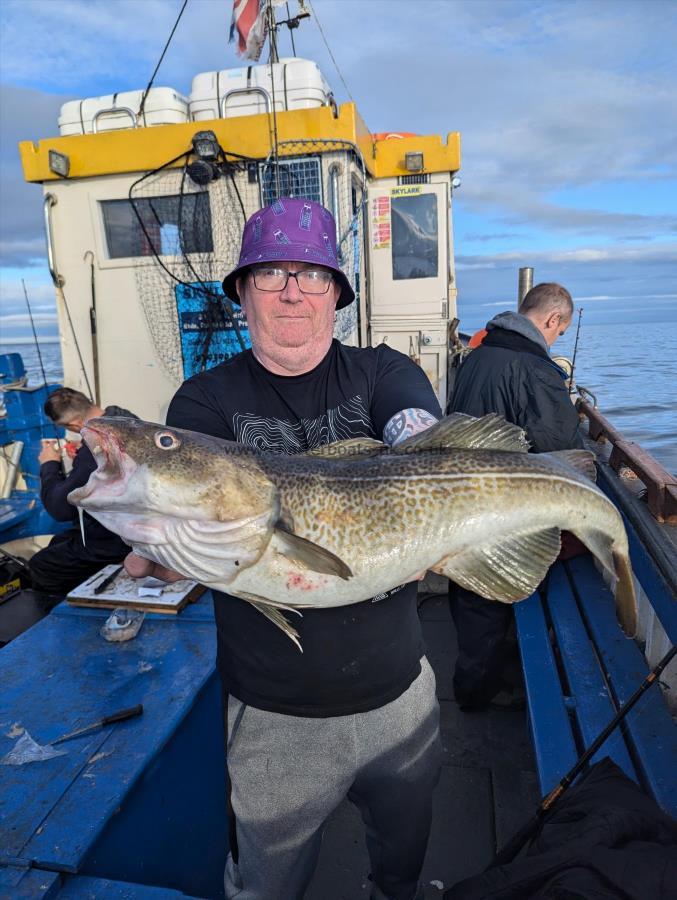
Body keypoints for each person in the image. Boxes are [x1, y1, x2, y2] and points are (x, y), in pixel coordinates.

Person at [126, 197, 443, 900]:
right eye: (270, 274)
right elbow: (202, 525)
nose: (292, 290)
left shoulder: (383, 372)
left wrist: (434, 475)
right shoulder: (202, 406)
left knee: (402, 863)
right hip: (274, 712)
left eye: (312, 273)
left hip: (399, 690)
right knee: (267, 883)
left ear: (336, 293)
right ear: (242, 292)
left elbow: (417, 435)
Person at [448, 282, 583, 710]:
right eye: (558, 332)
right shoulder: (537, 369)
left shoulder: (477, 356)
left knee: (468, 596)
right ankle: (479, 693)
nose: (554, 338)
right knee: (490, 599)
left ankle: (471, 685)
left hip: (459, 497)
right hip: (500, 506)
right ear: (552, 320)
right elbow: (564, 448)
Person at [30, 388, 136, 594]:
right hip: (132, 521)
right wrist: (83, 446)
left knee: (41, 566)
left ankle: (73, 615)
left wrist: (49, 464)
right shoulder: (122, 418)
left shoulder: (95, 451)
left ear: (75, 424)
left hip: (118, 539)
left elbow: (61, 508)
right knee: (58, 541)